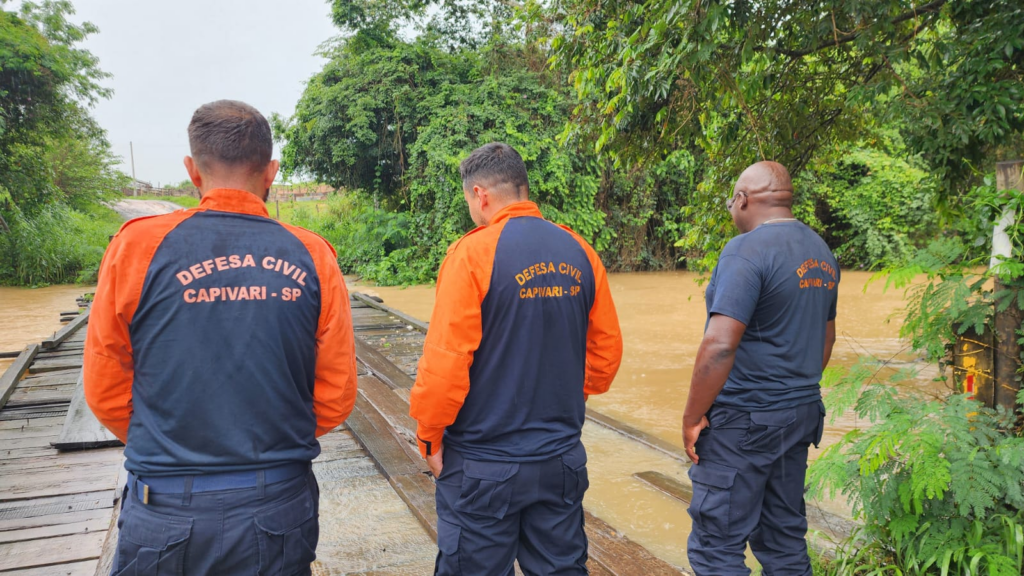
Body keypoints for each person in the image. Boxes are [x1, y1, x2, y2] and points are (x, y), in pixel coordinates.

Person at [84, 100, 358, 575]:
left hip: (165, 507)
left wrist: (173, 442)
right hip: (277, 505)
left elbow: (105, 389)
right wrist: (271, 442)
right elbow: (335, 396)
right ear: (271, 172)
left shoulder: (135, 247)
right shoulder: (312, 255)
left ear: (193, 171)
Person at [409, 142, 623, 575]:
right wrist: (557, 395)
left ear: (480, 196)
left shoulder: (471, 255)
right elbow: (605, 360)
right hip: (560, 459)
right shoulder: (579, 250)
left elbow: (446, 366)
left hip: (483, 466)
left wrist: (429, 437)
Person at [681, 161, 838, 575]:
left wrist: (692, 416)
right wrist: (792, 392)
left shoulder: (745, 250)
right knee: (783, 539)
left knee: (716, 548)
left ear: (743, 199)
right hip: (800, 415)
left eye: (731, 201)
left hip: (743, 422)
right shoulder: (820, 251)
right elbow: (827, 340)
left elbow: (719, 345)